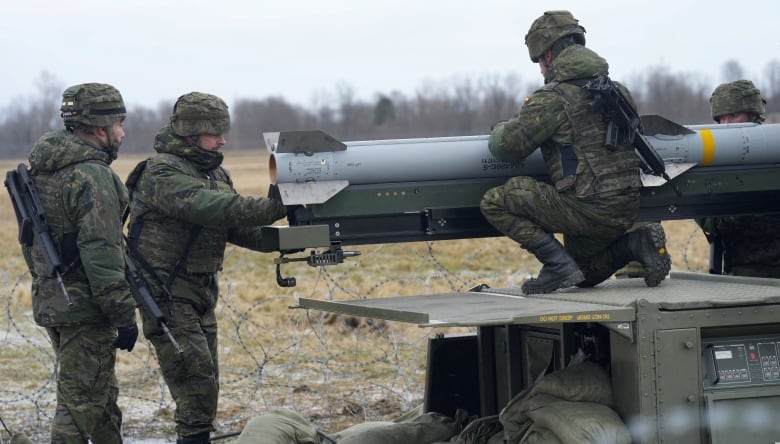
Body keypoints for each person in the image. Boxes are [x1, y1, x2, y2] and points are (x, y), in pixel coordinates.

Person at [125, 92, 287, 443]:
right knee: (195, 381)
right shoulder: (161, 172)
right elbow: (209, 207)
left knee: (206, 379)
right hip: (164, 292)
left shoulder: (215, 171)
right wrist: (274, 205)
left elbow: (233, 228)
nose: (222, 139)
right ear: (190, 133)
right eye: (215, 132)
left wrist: (290, 237)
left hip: (200, 291)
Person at [480, 10, 671, 294]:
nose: (541, 71)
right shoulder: (618, 91)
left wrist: (501, 127)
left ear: (547, 56)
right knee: (584, 273)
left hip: (587, 208)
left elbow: (506, 147)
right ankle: (636, 242)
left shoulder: (553, 98)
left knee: (495, 201)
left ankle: (556, 265)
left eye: (539, 63)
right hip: (626, 206)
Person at [21, 83, 139, 442]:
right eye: (119, 124)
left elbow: (31, 242)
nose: (123, 132)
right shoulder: (92, 176)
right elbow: (103, 255)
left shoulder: (43, 170)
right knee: (79, 406)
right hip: (87, 309)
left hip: (55, 299)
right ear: (100, 129)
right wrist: (123, 314)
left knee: (98, 398)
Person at [698, 80, 780, 277]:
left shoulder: (773, 149)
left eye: (733, 116)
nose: (726, 125)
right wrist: (745, 206)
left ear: (753, 114)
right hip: (745, 275)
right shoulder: (713, 161)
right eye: (721, 118)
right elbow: (708, 220)